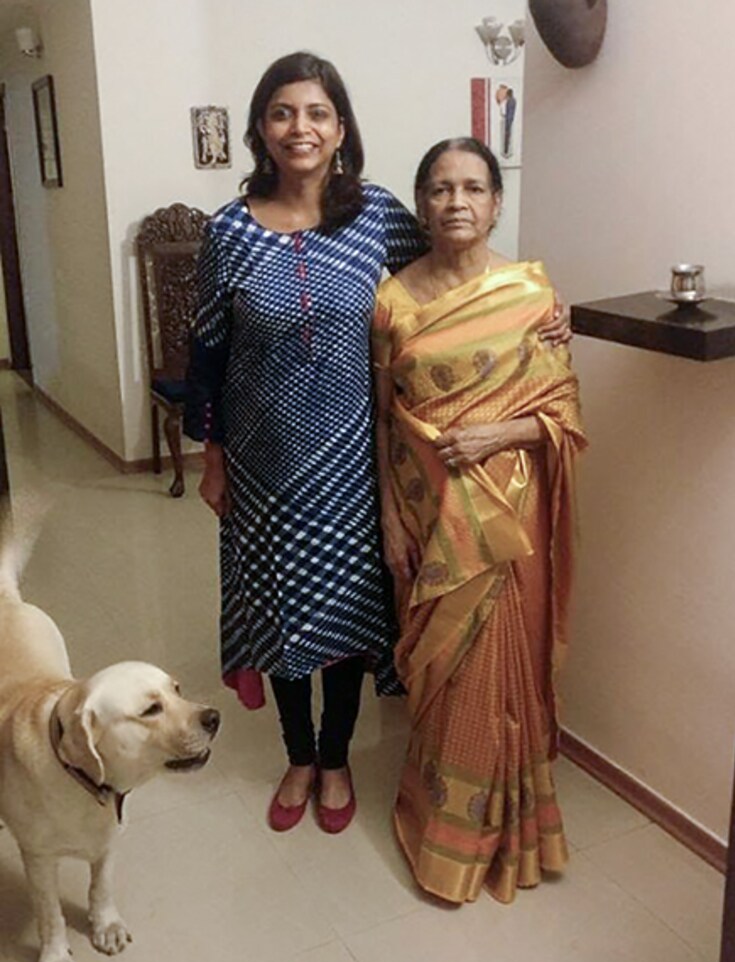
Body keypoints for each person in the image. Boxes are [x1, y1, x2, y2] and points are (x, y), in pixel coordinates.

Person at [184, 53, 572, 838]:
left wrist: (542, 316)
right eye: (284, 112)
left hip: (355, 465)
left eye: (318, 113)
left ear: (340, 128)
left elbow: (451, 283)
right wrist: (215, 456)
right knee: (278, 616)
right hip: (261, 465)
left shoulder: (381, 217)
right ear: (262, 127)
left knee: (347, 615)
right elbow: (209, 353)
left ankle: (335, 759)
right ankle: (298, 754)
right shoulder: (227, 230)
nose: (301, 128)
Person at [372, 137, 586, 902]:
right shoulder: (392, 299)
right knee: (445, 667)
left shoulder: (532, 295)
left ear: (497, 202)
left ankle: (509, 831)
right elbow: (385, 421)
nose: (455, 202)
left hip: (509, 517)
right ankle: (443, 830)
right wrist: (392, 517)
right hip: (430, 516)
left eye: (472, 187)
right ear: (421, 204)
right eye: (438, 188)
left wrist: (499, 433)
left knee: (505, 671)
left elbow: (563, 414)